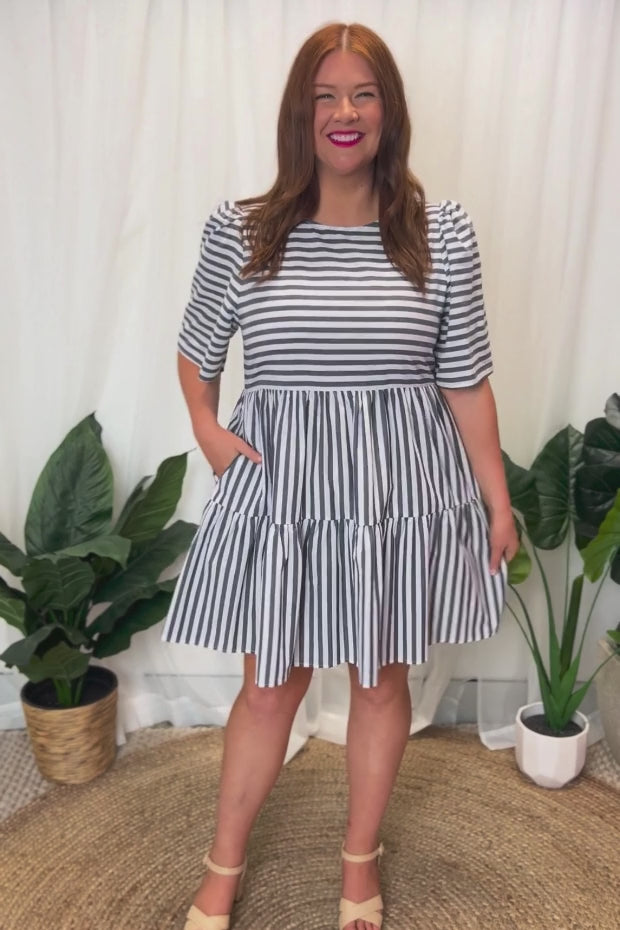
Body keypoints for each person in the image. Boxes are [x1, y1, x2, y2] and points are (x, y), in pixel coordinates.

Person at [162, 20, 519, 930]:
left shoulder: (440, 233)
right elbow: (197, 349)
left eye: (363, 93)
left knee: (378, 682)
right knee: (269, 686)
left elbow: (465, 378)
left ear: (388, 110)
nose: (345, 111)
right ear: (301, 113)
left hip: (395, 496)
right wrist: (208, 430)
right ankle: (223, 863)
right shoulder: (244, 231)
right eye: (325, 95)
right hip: (284, 494)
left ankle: (360, 863)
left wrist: (497, 497)